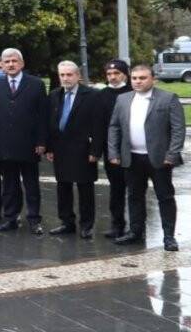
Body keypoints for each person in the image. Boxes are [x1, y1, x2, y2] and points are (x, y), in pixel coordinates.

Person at [108, 64, 184, 251]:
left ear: (153, 79)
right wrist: (114, 152)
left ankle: (169, 237)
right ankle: (135, 232)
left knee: (165, 197)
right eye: (134, 78)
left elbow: (178, 129)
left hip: (159, 158)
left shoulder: (168, 99)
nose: (138, 81)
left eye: (142, 78)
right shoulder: (123, 99)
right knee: (134, 196)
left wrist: (172, 154)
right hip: (132, 157)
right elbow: (114, 127)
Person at [0, 48, 48, 234]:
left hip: (29, 144)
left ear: (21, 63)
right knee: (9, 185)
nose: (10, 64)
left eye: (14, 61)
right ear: (3, 65)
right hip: (4, 143)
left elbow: (42, 116)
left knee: (31, 185)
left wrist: (42, 141)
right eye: (7, 62)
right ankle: (10, 217)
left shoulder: (36, 84)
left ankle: (34, 220)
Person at [46, 61, 106, 239]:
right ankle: (67, 222)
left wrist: (95, 151)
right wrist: (49, 147)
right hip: (60, 149)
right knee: (63, 187)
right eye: (62, 75)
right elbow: (50, 123)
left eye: (69, 74)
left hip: (83, 150)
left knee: (85, 188)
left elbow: (98, 126)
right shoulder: (55, 95)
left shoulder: (93, 95)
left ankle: (87, 225)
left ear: (78, 76)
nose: (65, 78)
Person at [99, 59, 133, 239]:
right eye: (109, 74)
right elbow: (98, 125)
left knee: (135, 190)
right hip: (111, 151)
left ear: (125, 74)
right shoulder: (102, 95)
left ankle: (136, 227)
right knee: (116, 189)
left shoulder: (133, 92)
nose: (112, 77)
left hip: (133, 150)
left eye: (116, 74)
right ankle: (117, 225)